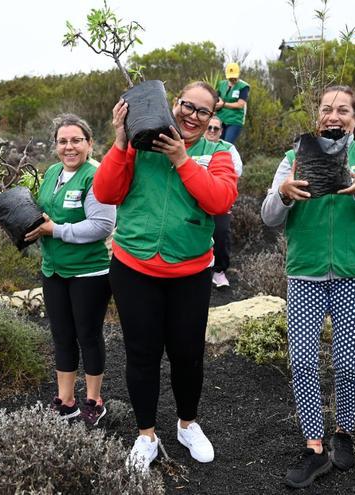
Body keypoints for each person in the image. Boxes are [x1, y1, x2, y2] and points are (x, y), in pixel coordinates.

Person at [261, 85, 355, 489]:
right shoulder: (294, 157)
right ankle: (314, 447)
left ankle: (344, 433)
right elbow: (268, 215)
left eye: (343, 110)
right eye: (327, 109)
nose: (334, 116)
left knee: (346, 362)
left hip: (353, 274)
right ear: (317, 116)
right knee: (303, 362)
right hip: (305, 274)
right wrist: (284, 195)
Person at [94, 81, 238, 471]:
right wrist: (121, 140)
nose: (192, 116)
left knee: (187, 355)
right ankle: (146, 436)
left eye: (202, 112)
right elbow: (106, 191)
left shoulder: (219, 153)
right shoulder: (142, 144)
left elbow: (219, 200)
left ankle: (187, 425)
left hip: (190, 272)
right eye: (187, 106)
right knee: (141, 355)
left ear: (213, 118)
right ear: (174, 104)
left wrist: (181, 159)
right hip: (134, 267)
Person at [24, 114, 117, 426]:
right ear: (55, 146)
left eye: (76, 140)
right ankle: (66, 402)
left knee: (88, 336)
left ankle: (94, 400)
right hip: (53, 269)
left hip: (89, 271)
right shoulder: (52, 172)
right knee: (62, 335)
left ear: (89, 143)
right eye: (63, 141)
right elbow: (44, 213)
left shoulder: (97, 175)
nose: (69, 147)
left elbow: (102, 225)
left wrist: (55, 230)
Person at [204, 116, 244, 288]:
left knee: (221, 232)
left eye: (216, 128)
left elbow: (237, 170)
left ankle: (219, 271)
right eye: (209, 127)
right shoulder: (194, 145)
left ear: (221, 131)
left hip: (220, 196)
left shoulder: (228, 148)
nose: (212, 131)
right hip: (194, 199)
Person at [215, 62, 249, 144]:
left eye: (234, 76)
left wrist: (223, 104)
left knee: (227, 144)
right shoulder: (221, 84)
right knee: (217, 143)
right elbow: (217, 99)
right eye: (230, 77)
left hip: (234, 120)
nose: (232, 79)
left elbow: (240, 105)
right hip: (220, 119)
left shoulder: (243, 86)